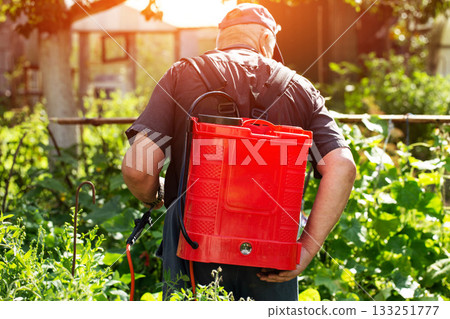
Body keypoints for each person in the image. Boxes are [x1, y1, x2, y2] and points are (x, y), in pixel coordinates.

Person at [122, 3, 356, 301]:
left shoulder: (183, 76)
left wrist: (154, 195)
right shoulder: (301, 89)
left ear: (222, 39)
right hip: (272, 244)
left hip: (193, 239)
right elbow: (342, 167)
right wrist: (307, 247)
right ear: (267, 40)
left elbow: (138, 167)